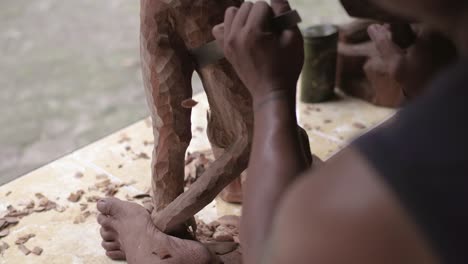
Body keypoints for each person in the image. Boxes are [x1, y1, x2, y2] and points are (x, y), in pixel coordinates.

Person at [95, 0, 468, 263]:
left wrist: (271, 94)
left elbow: (271, 253)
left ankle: (144, 236)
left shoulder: (381, 192)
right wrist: (423, 89)